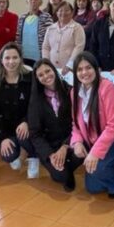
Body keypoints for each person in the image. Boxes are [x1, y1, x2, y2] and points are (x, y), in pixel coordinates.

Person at [69, 52, 114, 198]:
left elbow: (113, 126)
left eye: (88, 68)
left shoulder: (108, 89)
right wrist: (76, 142)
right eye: (80, 69)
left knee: (97, 173)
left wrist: (95, 152)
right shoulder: (74, 92)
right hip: (94, 141)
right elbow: (75, 125)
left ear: (97, 69)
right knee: (92, 187)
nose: (84, 72)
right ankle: (109, 167)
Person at [28, 59, 82, 191]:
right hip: (50, 147)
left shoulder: (70, 91)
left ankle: (66, 164)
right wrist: (51, 154)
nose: (46, 76)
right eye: (41, 75)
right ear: (37, 79)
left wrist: (65, 146)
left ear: (54, 70)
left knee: (82, 152)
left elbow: (79, 124)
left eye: (48, 71)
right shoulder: (36, 100)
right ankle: (64, 170)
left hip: (71, 141)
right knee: (60, 176)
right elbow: (35, 134)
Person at [0, 43, 38, 177]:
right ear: (1, 60)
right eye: (7, 58)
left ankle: (33, 157)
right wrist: (2, 138)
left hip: (29, 125)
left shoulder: (31, 78)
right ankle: (19, 150)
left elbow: (36, 105)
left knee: (24, 136)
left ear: (21, 59)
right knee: (8, 155)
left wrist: (27, 121)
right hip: (8, 129)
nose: (11, 62)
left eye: (15, 58)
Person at [42, 1, 85, 76]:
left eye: (67, 10)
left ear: (72, 13)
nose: (63, 13)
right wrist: (46, 63)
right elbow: (46, 47)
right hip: (52, 68)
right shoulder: (50, 28)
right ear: (57, 12)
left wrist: (69, 65)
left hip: (70, 69)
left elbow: (79, 47)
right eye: (60, 10)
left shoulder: (77, 27)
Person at [16, 0, 53, 67]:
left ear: (40, 2)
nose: (33, 1)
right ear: (27, 1)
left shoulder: (46, 16)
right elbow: (18, 37)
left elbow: (51, 37)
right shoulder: (22, 17)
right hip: (24, 55)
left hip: (40, 55)